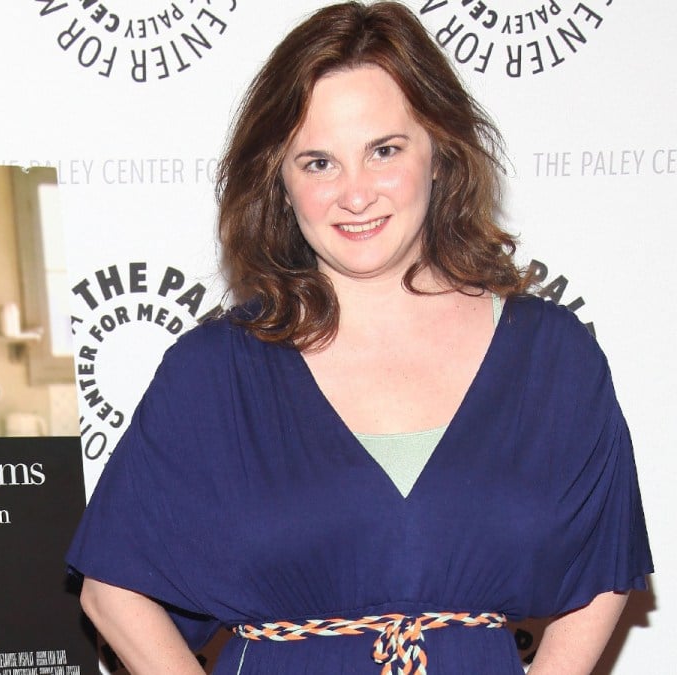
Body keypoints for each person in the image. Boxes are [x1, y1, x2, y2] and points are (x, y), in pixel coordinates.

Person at [66, 3, 651, 674]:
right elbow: (112, 587)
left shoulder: (554, 360)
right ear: (279, 181)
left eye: (384, 150)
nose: (355, 193)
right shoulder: (214, 374)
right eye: (318, 162)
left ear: (439, 151)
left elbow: (604, 563)